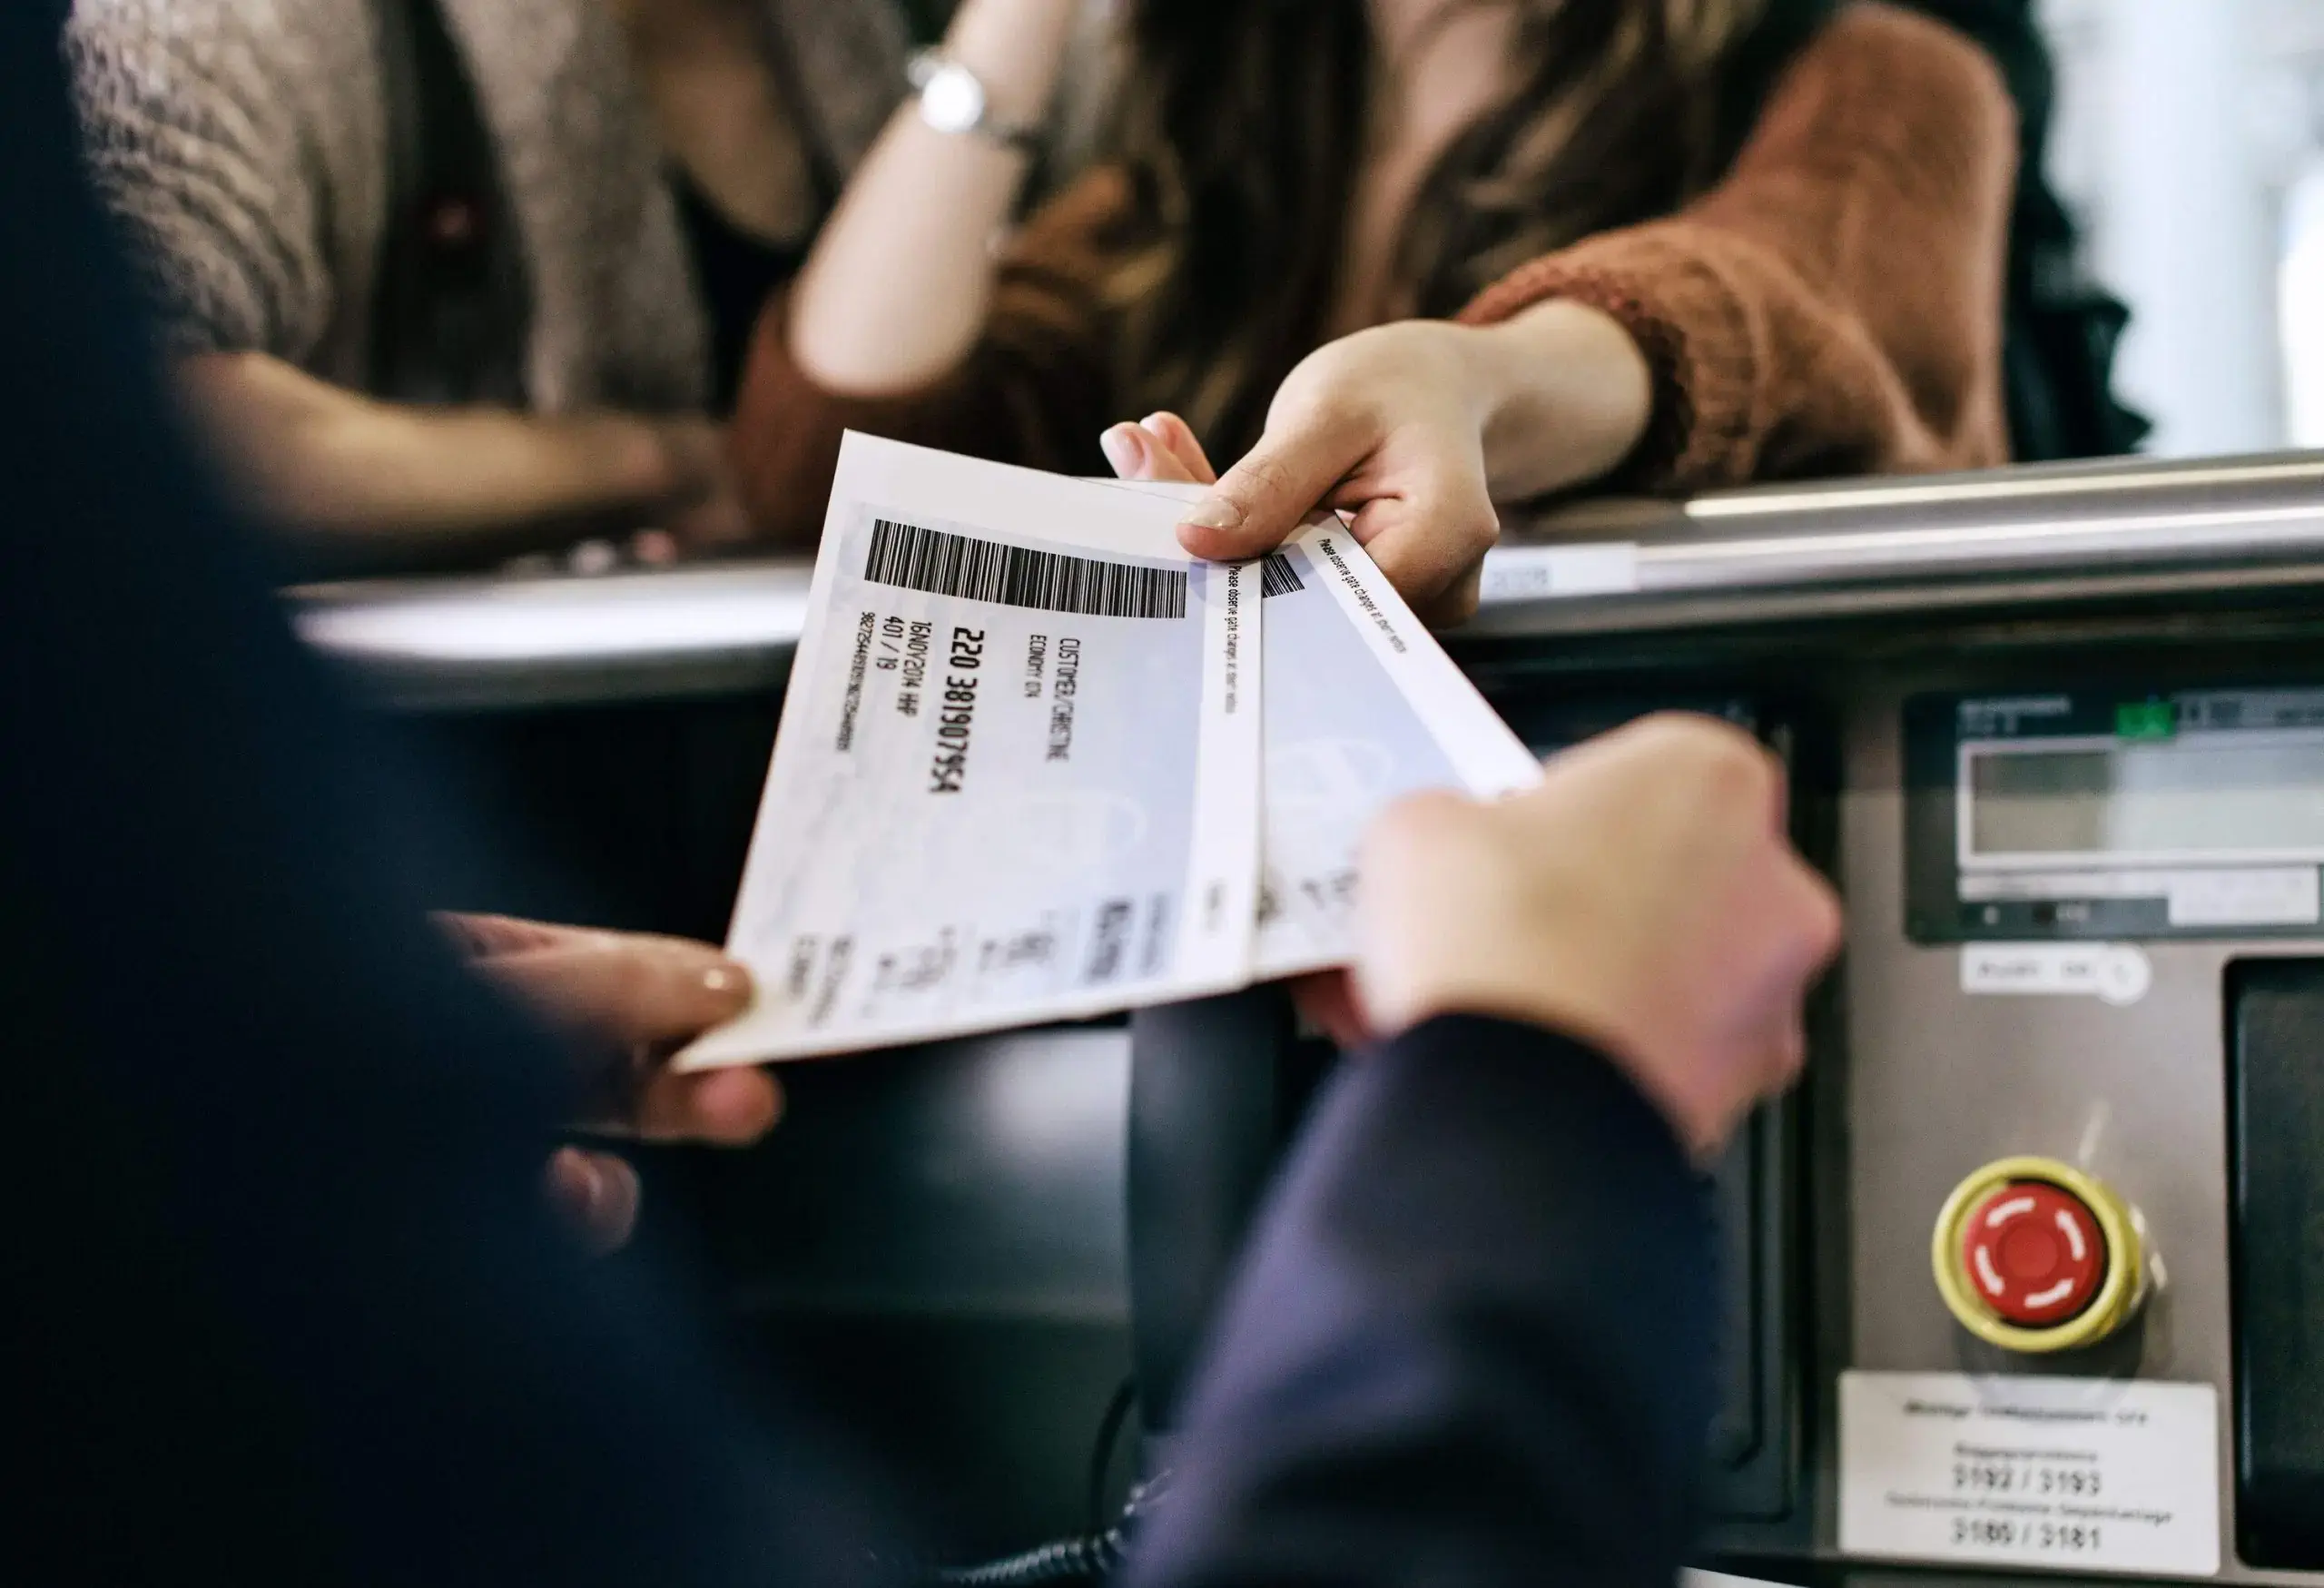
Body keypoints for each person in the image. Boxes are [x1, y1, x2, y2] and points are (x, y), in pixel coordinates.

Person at [8, 10, 1842, 1584]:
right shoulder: (1186, 155)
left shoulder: (1855, 58)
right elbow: (812, 453)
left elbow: (1807, 282)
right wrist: (1528, 1107)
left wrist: (1485, 371)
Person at [732, 0, 2014, 621]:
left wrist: (1478, 383)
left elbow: (1771, 298)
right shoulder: (1216, 150)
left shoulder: (1881, 81)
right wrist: (1016, 21)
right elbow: (830, 452)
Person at [63, 0, 917, 570]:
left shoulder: (874, 32)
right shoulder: (236, 28)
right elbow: (134, 421)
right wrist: (667, 466)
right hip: (453, 795)